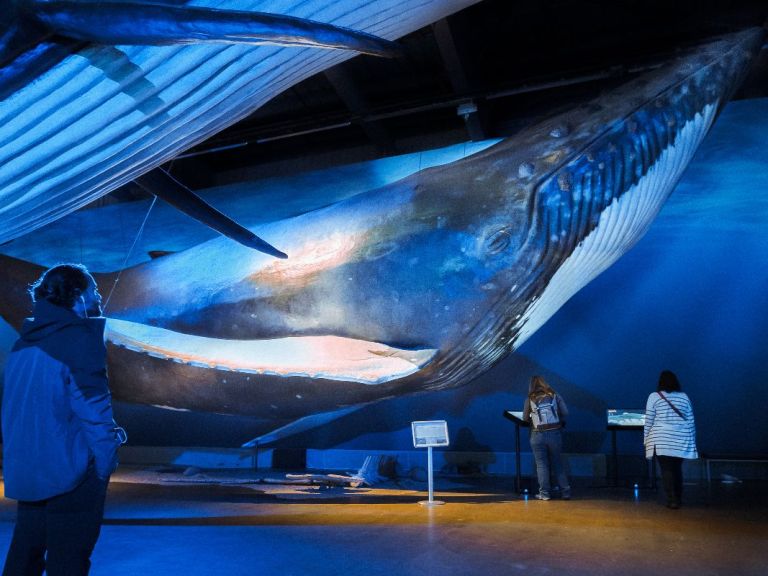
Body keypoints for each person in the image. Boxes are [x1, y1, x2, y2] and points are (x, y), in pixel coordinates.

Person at [2, 264, 125, 575]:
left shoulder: (22, 344)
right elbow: (93, 408)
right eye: (93, 290)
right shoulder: (78, 340)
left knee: (24, 557)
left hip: (30, 470)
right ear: (77, 296)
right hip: (72, 473)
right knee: (69, 560)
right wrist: (105, 461)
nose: (98, 296)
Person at [643, 370, 697, 509]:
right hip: (681, 438)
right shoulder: (684, 397)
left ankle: (672, 499)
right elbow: (691, 420)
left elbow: (649, 420)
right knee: (677, 469)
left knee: (666, 469)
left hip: (662, 438)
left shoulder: (654, 396)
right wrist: (692, 440)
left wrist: (646, 439)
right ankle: (678, 498)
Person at [523, 375, 571, 500]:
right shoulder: (555, 395)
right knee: (558, 463)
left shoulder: (530, 399)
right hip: (554, 433)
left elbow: (524, 418)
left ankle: (544, 494)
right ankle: (565, 492)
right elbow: (565, 412)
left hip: (537, 434)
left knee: (541, 464)